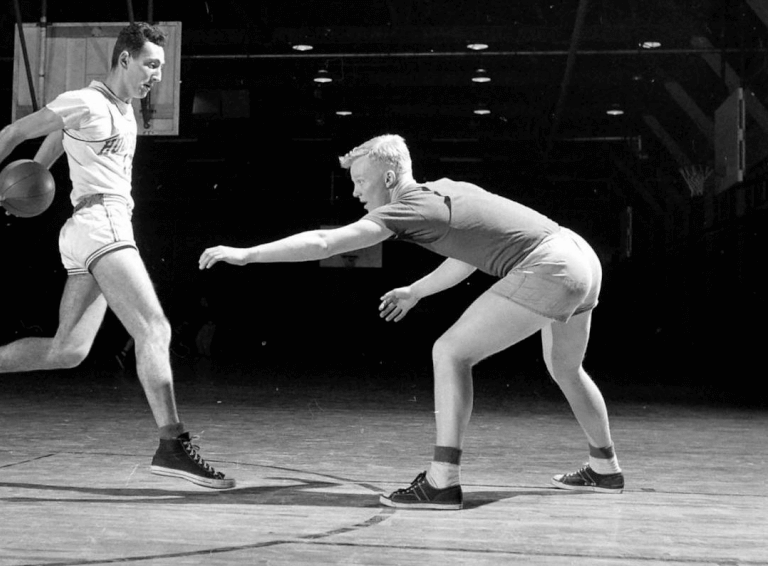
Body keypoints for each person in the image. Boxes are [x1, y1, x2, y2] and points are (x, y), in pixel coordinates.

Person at [198, 134, 622, 508]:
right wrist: (417, 290)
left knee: (450, 352)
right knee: (566, 368)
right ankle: (605, 468)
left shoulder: (405, 209)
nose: (356, 192)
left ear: (387, 178)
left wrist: (248, 254)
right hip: (579, 254)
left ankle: (441, 482)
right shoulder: (444, 191)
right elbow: (468, 254)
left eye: (360, 182)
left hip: (551, 265)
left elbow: (326, 242)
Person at [0, 22, 233, 490]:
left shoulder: (124, 110)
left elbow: (47, 154)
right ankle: (172, 444)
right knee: (155, 328)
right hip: (99, 225)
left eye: (162, 68)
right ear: (124, 59)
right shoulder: (85, 100)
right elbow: (14, 132)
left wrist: (29, 184)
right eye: (151, 64)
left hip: (94, 230)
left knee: (68, 351)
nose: (158, 75)